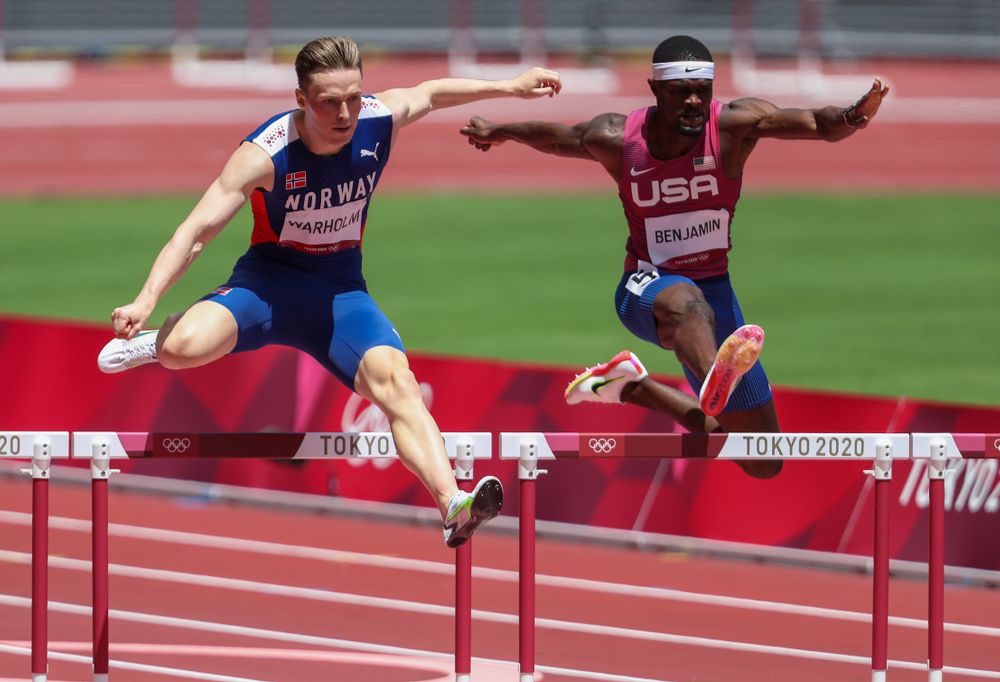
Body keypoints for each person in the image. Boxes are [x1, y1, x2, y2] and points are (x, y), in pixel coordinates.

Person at [97, 36, 562, 546]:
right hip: (268, 285)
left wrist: (510, 86)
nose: (344, 113)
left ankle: (453, 504)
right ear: (301, 100)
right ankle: (155, 343)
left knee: (398, 384)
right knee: (182, 348)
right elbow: (195, 233)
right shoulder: (264, 154)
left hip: (340, 293)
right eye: (328, 102)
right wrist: (146, 300)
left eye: (353, 98)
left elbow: (430, 92)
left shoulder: (376, 119)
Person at [460, 35, 888, 478]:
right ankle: (713, 379)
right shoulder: (617, 137)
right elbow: (555, 137)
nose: (692, 101)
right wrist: (500, 131)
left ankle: (633, 387)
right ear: (655, 90)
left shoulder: (733, 126)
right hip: (646, 287)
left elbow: (820, 125)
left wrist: (854, 114)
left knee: (763, 458)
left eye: (701, 91)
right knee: (687, 304)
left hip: (715, 291)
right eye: (680, 92)